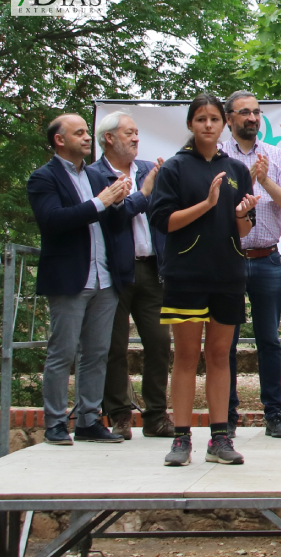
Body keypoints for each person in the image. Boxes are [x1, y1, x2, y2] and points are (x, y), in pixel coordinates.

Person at [149, 93, 259, 467]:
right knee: (185, 356)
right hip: (186, 274)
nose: (208, 125)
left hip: (228, 274)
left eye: (214, 119)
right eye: (201, 119)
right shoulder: (175, 168)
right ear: (191, 125)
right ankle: (181, 438)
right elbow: (163, 221)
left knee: (219, 356)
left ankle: (220, 438)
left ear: (224, 123)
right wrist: (208, 204)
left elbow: (243, 231)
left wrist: (243, 213)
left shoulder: (237, 170)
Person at [28, 113, 131, 445]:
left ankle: (88, 420)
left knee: (97, 353)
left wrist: (118, 201)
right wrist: (100, 202)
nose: (88, 137)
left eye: (88, 132)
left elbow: (112, 221)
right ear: (60, 140)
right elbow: (53, 221)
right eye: (80, 133)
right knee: (63, 352)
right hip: (70, 278)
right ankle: (56, 423)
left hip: (104, 278)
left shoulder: (94, 175)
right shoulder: (43, 178)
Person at [219, 90, 281, 439]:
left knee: (269, 340)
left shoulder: (276, 155)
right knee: (226, 341)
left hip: (267, 258)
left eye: (256, 112)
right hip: (228, 259)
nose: (252, 118)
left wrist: (265, 178)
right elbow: (216, 207)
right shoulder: (218, 156)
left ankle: (274, 414)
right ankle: (227, 415)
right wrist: (247, 180)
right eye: (244, 113)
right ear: (229, 119)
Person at [89, 110, 174, 440]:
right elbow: (112, 219)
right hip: (115, 270)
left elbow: (164, 213)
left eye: (137, 132)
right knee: (114, 347)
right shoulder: (95, 175)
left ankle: (156, 416)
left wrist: (156, 187)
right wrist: (143, 192)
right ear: (109, 139)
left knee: (159, 343)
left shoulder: (146, 170)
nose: (136, 138)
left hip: (152, 268)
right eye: (129, 133)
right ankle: (120, 415)